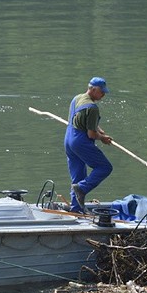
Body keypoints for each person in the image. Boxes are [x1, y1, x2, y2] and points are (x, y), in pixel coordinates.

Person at [64, 76, 114, 212]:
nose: (103, 95)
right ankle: (82, 188)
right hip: (80, 141)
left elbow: (82, 120)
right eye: (101, 92)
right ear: (92, 89)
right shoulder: (92, 108)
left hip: (69, 139)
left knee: (77, 175)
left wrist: (98, 128)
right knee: (104, 167)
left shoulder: (77, 98)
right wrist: (102, 138)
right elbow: (91, 135)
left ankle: (76, 209)